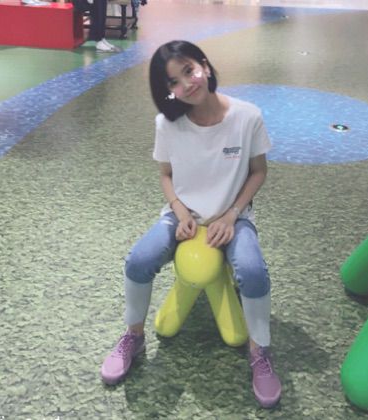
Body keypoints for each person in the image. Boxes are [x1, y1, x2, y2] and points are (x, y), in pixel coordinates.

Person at [100, 40, 282, 408]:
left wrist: (232, 214)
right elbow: (166, 175)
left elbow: (258, 172)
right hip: (181, 215)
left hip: (233, 215)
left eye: (189, 70)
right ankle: (133, 336)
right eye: (173, 81)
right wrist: (181, 212)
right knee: (138, 261)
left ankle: (259, 352)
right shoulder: (167, 125)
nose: (186, 84)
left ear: (205, 66)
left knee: (253, 271)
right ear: (167, 90)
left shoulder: (247, 117)